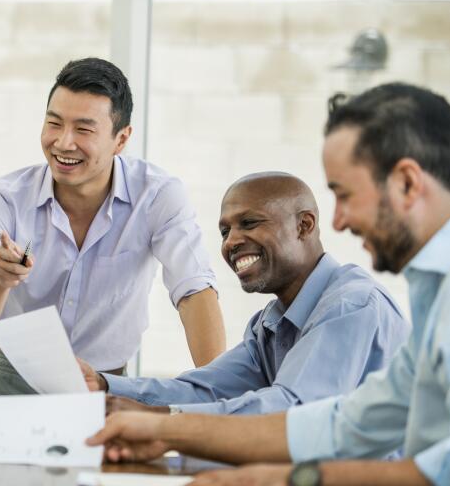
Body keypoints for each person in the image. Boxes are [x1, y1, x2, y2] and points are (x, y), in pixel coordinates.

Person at [86, 83, 450, 486]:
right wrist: (164, 428)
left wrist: (279, 479)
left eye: (345, 195)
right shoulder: (437, 291)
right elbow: (345, 424)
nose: (338, 221)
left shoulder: (361, 302)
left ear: (407, 182)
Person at [0, 57, 226, 395]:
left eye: (83, 129)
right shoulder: (4, 199)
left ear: (121, 139)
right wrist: (0, 280)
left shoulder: (157, 196)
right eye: (54, 123)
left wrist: (218, 393)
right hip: (16, 379)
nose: (64, 143)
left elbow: (194, 290)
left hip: (107, 384)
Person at [78, 172, 409, 417]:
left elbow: (290, 411)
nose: (231, 242)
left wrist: (164, 419)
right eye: (225, 231)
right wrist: (106, 386)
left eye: (249, 223)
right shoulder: (269, 323)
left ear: (304, 226)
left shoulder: (350, 305)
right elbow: (206, 389)